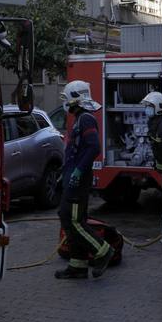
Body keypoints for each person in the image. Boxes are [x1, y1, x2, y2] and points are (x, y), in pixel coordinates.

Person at [55, 80, 113, 280]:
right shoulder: (81, 118)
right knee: (66, 217)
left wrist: (78, 172)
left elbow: (93, 147)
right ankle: (78, 265)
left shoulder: (86, 119)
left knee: (73, 220)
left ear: (76, 99)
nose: (66, 103)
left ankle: (103, 250)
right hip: (73, 178)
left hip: (78, 181)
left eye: (68, 99)